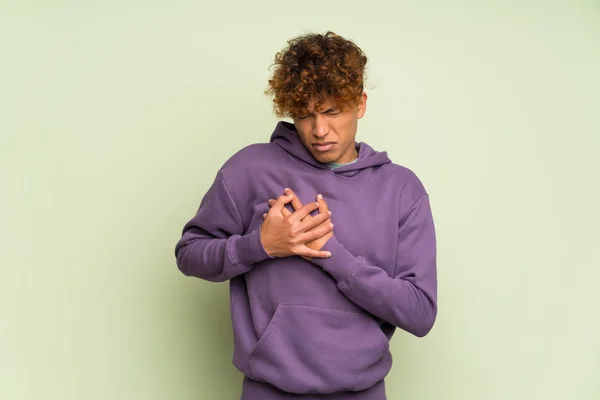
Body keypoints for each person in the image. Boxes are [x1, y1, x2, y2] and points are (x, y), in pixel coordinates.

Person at [174, 31, 437, 400]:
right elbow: (189, 255)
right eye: (304, 114)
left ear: (360, 104)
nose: (319, 130)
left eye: (332, 111)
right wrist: (260, 245)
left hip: (361, 391)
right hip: (268, 390)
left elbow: (420, 313)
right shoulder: (250, 168)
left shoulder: (401, 189)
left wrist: (332, 253)